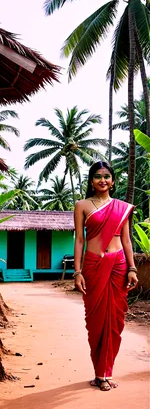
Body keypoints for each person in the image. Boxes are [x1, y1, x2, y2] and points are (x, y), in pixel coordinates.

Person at [74, 161, 138, 391]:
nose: (103, 180)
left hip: (118, 266)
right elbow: (80, 240)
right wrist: (78, 271)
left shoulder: (123, 208)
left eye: (107, 176)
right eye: (98, 176)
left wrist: (132, 268)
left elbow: (126, 240)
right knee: (96, 322)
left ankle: (106, 373)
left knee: (115, 321)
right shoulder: (82, 205)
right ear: (91, 181)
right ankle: (98, 372)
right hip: (93, 266)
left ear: (113, 181)